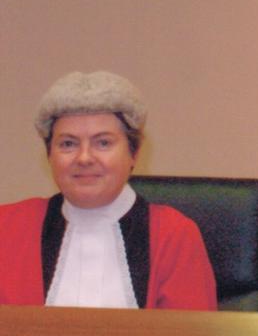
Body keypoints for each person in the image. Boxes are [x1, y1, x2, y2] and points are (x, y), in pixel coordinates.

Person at [0, 71, 217, 310]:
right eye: (68, 144)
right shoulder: (7, 227)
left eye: (103, 143)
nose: (84, 158)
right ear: (49, 155)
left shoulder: (174, 235)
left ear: (133, 153)